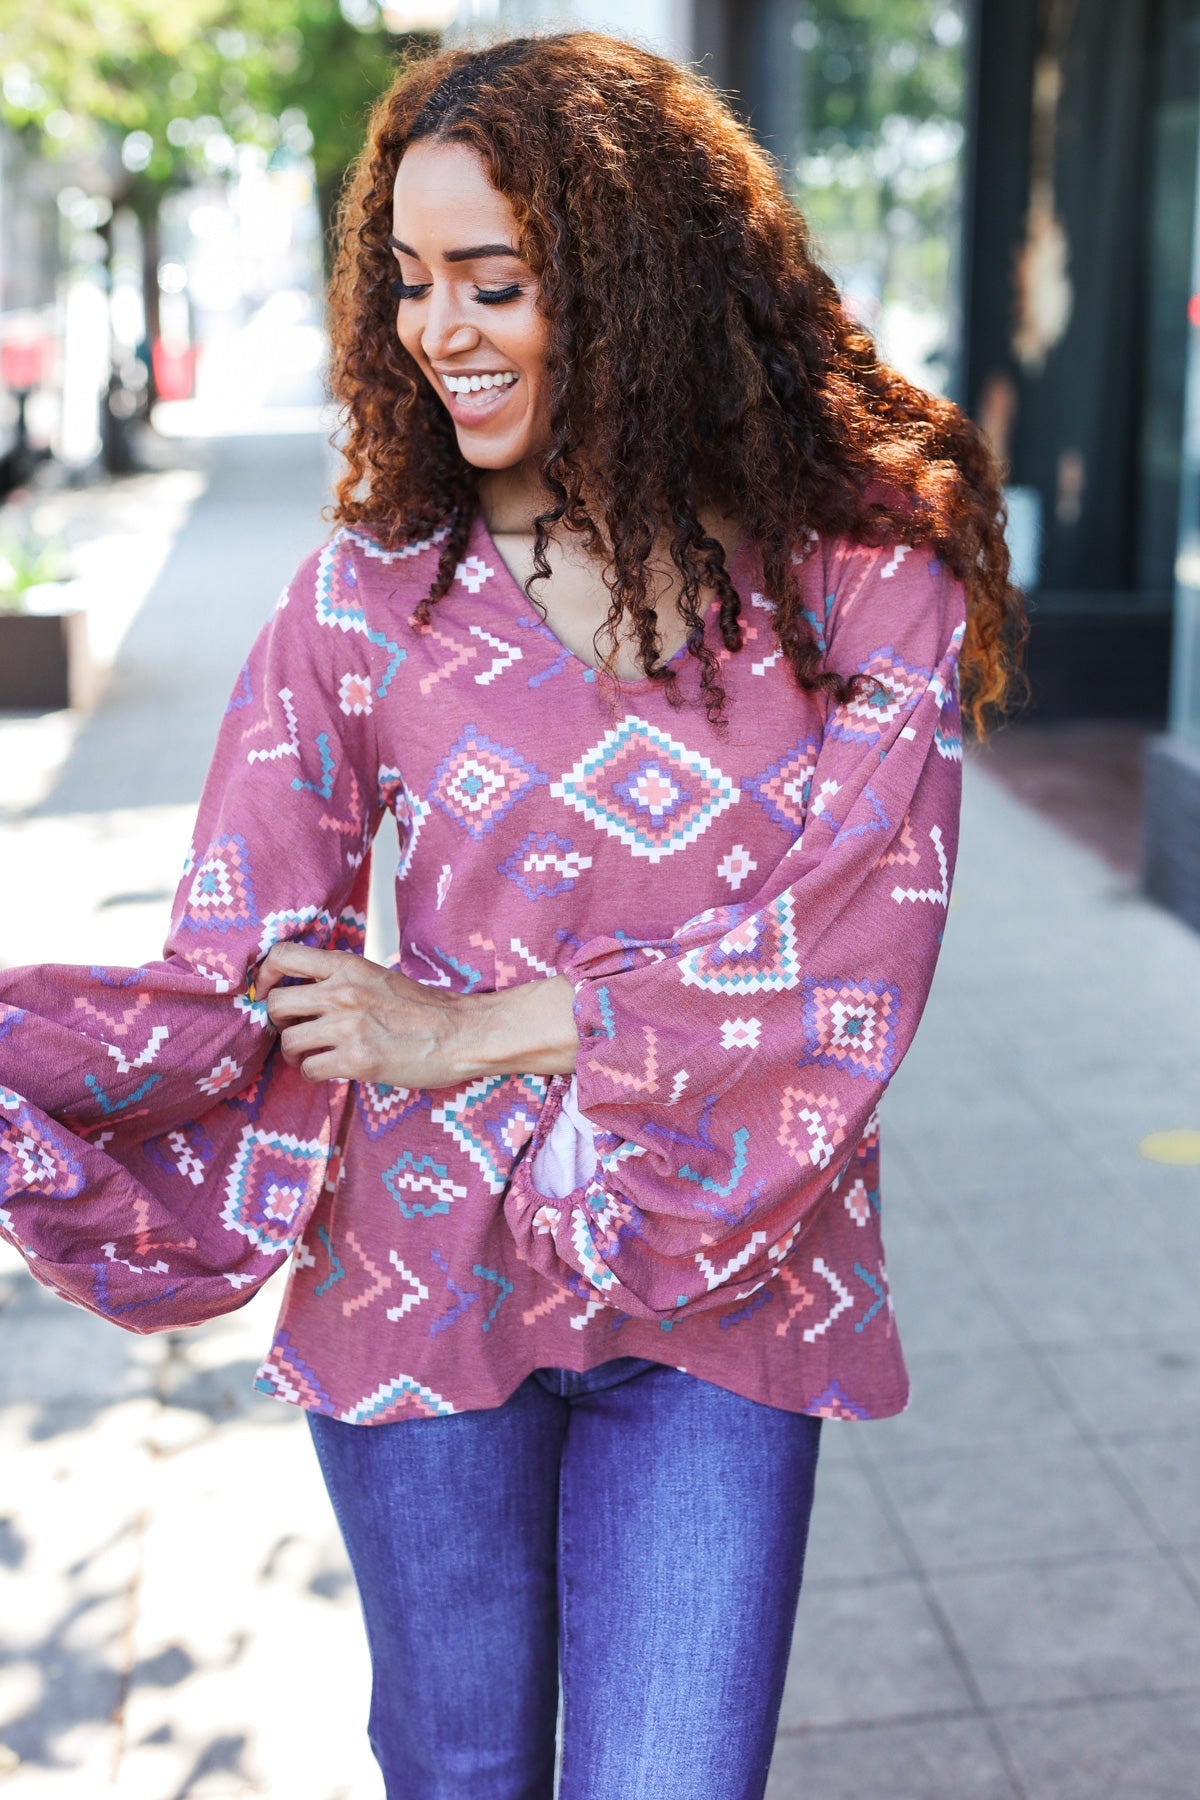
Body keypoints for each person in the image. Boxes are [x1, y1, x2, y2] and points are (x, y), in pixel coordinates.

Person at [0, 30, 1022, 1800]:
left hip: (736, 1283)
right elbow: (234, 979)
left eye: (495, 279)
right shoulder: (365, 600)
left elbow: (856, 962)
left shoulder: (865, 585)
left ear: (642, 281)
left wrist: (473, 1025)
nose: (436, 329)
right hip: (416, 1290)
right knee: (462, 1777)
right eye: (408, 281)